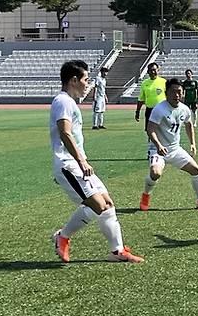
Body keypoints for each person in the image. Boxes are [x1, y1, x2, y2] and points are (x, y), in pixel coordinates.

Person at [51, 60, 143, 263]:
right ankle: (63, 237)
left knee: (107, 204)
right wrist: (81, 160)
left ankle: (117, 251)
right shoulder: (63, 101)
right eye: (85, 79)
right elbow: (65, 133)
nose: (88, 83)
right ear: (74, 80)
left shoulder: (69, 102)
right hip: (68, 164)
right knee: (98, 205)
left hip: (76, 163)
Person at [139, 78, 198, 212]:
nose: (177, 95)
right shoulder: (159, 109)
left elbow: (189, 124)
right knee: (155, 173)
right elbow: (150, 129)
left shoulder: (184, 109)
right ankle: (146, 195)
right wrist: (158, 145)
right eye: (173, 92)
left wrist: (193, 143)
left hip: (175, 149)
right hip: (158, 150)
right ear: (166, 93)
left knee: (196, 170)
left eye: (179, 92)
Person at [135, 62, 166, 132]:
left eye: (154, 70)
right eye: (150, 70)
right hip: (150, 110)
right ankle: (151, 143)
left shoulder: (163, 82)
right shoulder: (144, 83)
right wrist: (137, 112)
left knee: (163, 130)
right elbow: (141, 99)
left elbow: (169, 96)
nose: (152, 72)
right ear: (148, 72)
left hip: (162, 110)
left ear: (158, 70)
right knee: (149, 130)